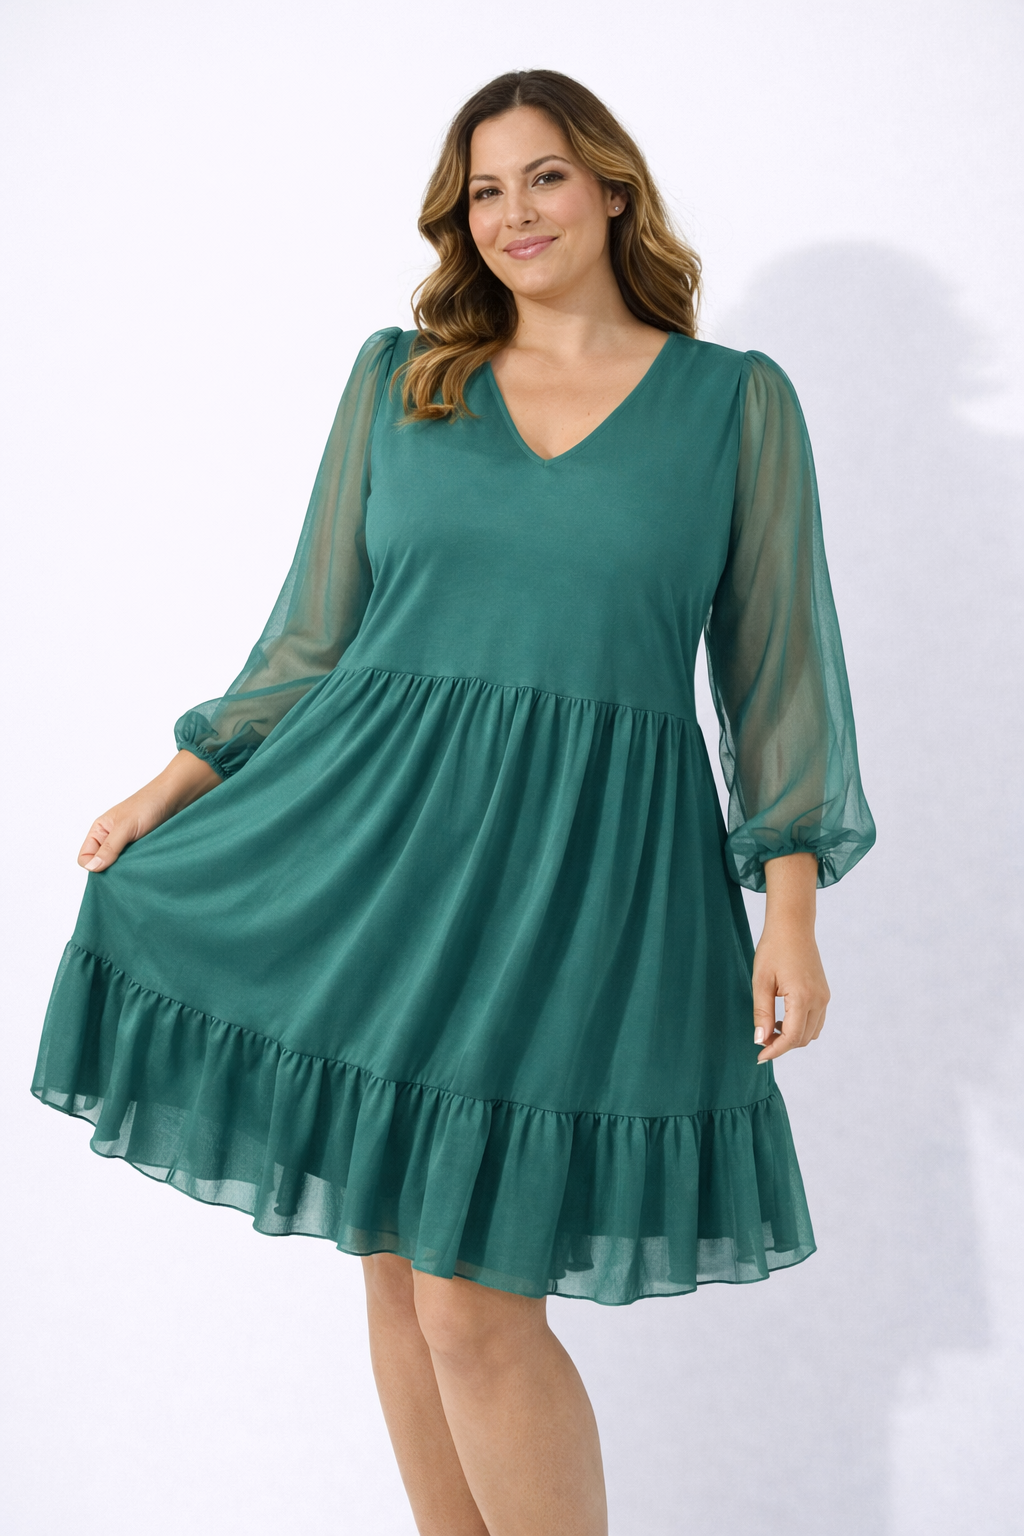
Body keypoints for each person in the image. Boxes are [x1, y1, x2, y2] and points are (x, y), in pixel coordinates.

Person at [31, 69, 875, 1536]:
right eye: (484, 191)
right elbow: (312, 637)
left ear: (611, 187)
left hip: (587, 874)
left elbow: (776, 674)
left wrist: (789, 912)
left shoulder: (733, 403)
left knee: (476, 1302)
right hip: (381, 847)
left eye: (543, 177)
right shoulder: (401, 381)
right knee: (402, 1279)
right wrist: (177, 784)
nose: (513, 213)